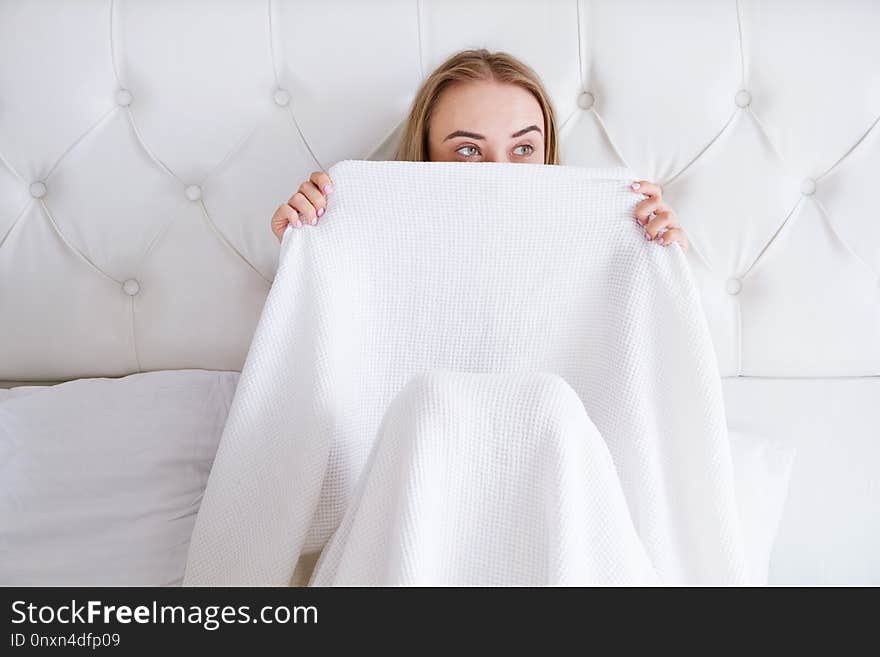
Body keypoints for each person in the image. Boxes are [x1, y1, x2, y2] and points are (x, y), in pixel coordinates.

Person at [270, 48, 689, 253]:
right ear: (426, 156)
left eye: (523, 148)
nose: (499, 172)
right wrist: (304, 248)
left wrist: (657, 263)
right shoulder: (379, 245)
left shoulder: (589, 246)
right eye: (469, 150)